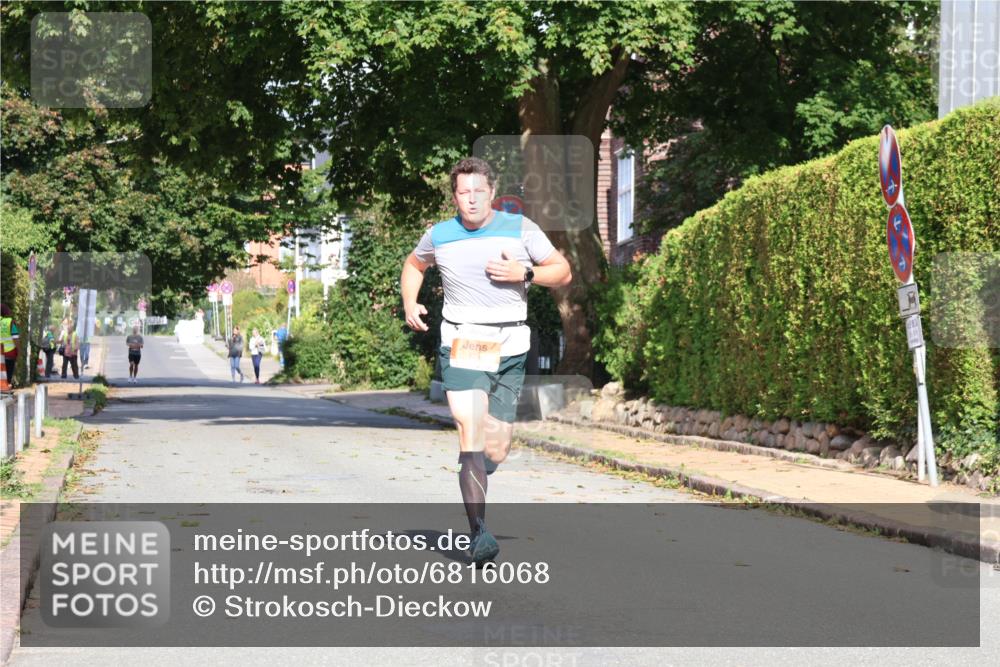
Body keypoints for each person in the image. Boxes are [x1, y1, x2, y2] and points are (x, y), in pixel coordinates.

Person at [401, 157, 571, 564]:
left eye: (479, 191)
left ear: (492, 193)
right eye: (463, 192)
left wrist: (524, 273)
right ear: (455, 196)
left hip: (511, 344)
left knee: (496, 449)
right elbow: (414, 263)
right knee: (470, 429)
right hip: (463, 338)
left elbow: (562, 271)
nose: (472, 199)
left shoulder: (520, 229)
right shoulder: (440, 235)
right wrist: (411, 301)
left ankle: (479, 468)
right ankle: (479, 534)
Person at [0, 304, 19, 387]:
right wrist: (18, 352)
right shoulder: (10, 322)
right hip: (10, 353)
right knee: (8, 374)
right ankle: (6, 389)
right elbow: (16, 339)